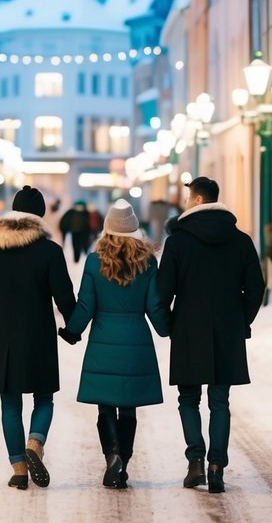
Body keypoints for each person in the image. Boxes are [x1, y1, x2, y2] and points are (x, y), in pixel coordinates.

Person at [0, 186, 76, 491]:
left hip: (1, 335)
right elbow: (64, 294)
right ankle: (35, 444)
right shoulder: (49, 250)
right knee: (44, 397)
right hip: (38, 333)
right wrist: (74, 326)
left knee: (9, 404)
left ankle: (19, 469)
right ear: (39, 215)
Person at [157, 176, 265, 495]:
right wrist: (241, 319)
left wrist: (168, 326)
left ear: (199, 200)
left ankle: (195, 462)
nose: (186, 202)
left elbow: (164, 290)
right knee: (220, 400)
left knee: (188, 398)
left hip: (189, 327)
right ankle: (217, 465)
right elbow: (256, 286)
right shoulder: (240, 240)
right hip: (227, 328)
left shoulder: (177, 241)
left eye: (189, 197)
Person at [59, 198, 169, 489]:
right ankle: (125, 464)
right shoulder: (147, 262)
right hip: (136, 339)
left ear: (107, 229)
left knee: (105, 407)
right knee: (129, 408)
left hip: (103, 339)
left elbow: (86, 305)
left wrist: (72, 332)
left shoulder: (95, 261)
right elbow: (155, 306)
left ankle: (112, 455)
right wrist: (166, 328)